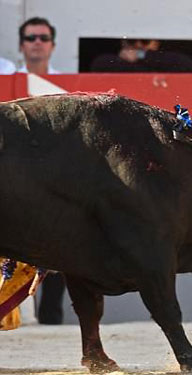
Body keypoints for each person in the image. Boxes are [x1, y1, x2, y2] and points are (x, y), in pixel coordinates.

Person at [17, 17, 64, 325]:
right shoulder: (7, 77)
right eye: (31, 37)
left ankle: (50, 318)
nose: (37, 42)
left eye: (42, 38)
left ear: (52, 45)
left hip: (54, 176)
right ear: (22, 45)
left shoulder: (67, 82)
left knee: (60, 245)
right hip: (16, 175)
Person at [90, 39, 192, 72]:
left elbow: (187, 65)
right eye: (131, 41)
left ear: (156, 43)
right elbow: (98, 64)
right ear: (123, 43)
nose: (138, 45)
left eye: (145, 41)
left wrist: (142, 55)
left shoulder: (175, 62)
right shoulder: (107, 62)